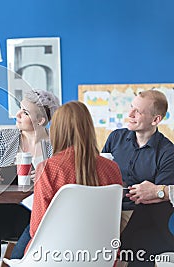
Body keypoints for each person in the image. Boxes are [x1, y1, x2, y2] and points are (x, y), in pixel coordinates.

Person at [0, 89, 60, 267]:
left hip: (40, 211)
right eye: (20, 108)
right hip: (5, 208)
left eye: (25, 112)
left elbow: (64, 179)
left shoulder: (56, 143)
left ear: (41, 120)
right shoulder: (6, 137)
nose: (17, 114)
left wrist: (45, 176)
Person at [26, 101, 122, 253]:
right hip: (101, 257)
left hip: (55, 256)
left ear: (57, 130)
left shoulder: (48, 168)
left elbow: (37, 229)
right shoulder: (112, 168)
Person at [102, 90, 174, 266]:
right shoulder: (115, 138)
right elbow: (100, 172)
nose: (130, 114)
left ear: (155, 119)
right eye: (131, 108)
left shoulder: (168, 152)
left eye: (138, 112)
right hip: (108, 210)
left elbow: (157, 200)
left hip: (143, 217)